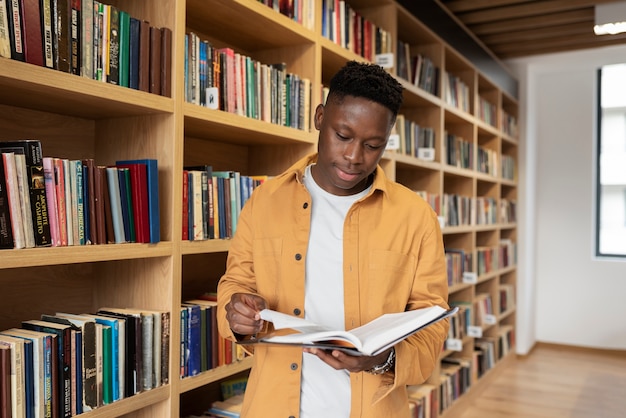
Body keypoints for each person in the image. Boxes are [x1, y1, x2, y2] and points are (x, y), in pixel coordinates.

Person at [217, 60, 450, 418]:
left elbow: (431, 327)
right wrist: (237, 313)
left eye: (373, 145)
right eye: (343, 136)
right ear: (320, 117)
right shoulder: (265, 201)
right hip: (273, 407)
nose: (354, 157)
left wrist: (383, 358)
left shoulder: (415, 217)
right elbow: (235, 284)